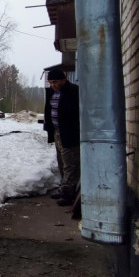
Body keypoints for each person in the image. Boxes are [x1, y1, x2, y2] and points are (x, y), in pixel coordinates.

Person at [43, 68, 80, 212]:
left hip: (69, 133)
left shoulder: (74, 92)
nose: (53, 85)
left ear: (63, 80)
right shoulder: (52, 93)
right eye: (51, 82)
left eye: (55, 82)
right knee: (61, 161)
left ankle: (68, 194)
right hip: (57, 132)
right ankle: (63, 189)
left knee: (70, 164)